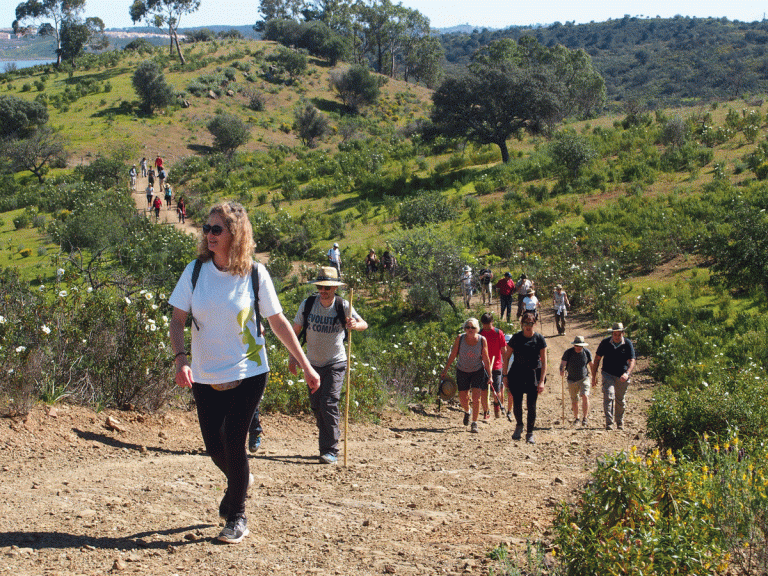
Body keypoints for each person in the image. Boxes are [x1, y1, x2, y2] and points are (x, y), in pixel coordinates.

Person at [169, 201, 320, 544]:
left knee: (234, 440)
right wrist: (181, 360)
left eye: (216, 229)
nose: (209, 235)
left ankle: (236, 516)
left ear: (235, 234)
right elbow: (178, 321)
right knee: (214, 447)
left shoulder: (255, 274)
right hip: (205, 375)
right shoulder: (194, 272)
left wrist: (307, 365)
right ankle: (242, 480)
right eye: (206, 228)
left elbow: (278, 321)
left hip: (249, 371)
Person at [290, 267, 367, 464]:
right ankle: (327, 440)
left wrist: (354, 325)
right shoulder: (307, 304)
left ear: (334, 288)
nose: (323, 290)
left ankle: (330, 449)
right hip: (311, 364)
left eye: (327, 287)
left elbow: (363, 324)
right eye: (320, 286)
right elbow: (294, 331)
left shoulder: (343, 305)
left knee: (329, 403)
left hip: (336, 363)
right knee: (316, 406)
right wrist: (293, 357)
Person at [441, 317, 493, 433]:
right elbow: (453, 354)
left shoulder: (482, 340)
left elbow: (486, 358)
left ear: (477, 329)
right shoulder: (460, 338)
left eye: (473, 327)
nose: (470, 329)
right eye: (467, 327)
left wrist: (490, 376)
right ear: (464, 328)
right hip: (462, 370)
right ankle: (467, 411)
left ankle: (474, 423)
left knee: (476, 397)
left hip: (477, 371)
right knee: (463, 397)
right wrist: (445, 369)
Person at [502, 311, 547, 444]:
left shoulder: (539, 339)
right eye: (526, 323)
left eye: (531, 323)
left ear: (535, 324)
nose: (528, 326)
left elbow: (544, 362)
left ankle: (530, 433)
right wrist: (505, 375)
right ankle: (519, 425)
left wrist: (542, 381)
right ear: (522, 324)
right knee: (517, 403)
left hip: (533, 374)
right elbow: (506, 356)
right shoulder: (516, 338)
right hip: (517, 374)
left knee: (531, 405)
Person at [591, 323, 636, 431]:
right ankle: (609, 423)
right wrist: (594, 376)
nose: (616, 337)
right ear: (612, 334)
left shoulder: (627, 344)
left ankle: (619, 423)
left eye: (619, 334)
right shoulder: (605, 342)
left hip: (622, 375)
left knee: (620, 400)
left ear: (622, 334)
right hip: (607, 373)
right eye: (614, 334)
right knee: (609, 395)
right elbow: (597, 358)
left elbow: (632, 360)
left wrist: (627, 373)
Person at [560, 335, 593, 426]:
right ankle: (577, 418)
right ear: (574, 345)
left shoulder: (587, 352)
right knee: (574, 400)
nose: (578, 347)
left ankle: (585, 418)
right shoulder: (568, 352)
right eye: (576, 345)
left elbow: (591, 365)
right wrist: (562, 369)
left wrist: (594, 376)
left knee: (585, 395)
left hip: (584, 378)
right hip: (572, 380)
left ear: (583, 346)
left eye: (580, 346)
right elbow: (563, 363)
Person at [479, 312, 507, 418]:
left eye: (488, 325)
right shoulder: (480, 333)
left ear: (492, 322)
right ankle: (486, 411)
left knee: (497, 390)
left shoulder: (498, 333)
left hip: (496, 365)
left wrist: (504, 365)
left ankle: (496, 405)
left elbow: (504, 350)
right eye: (484, 325)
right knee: (483, 390)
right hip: (482, 366)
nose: (486, 327)